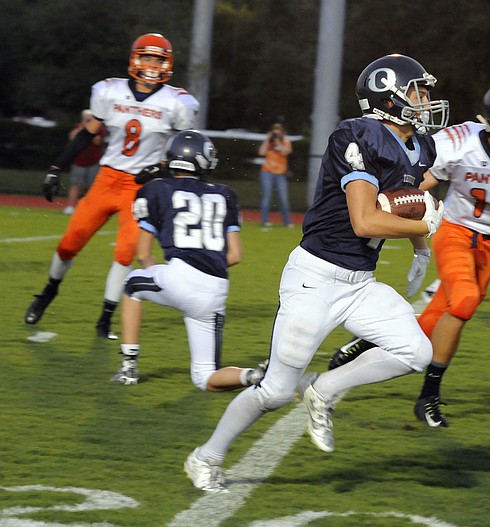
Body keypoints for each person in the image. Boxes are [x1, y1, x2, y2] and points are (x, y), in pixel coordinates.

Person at [183, 54, 449, 492]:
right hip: (316, 279)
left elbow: (402, 199)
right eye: (417, 91)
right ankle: (205, 457)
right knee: (273, 392)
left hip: (360, 282)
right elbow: (366, 220)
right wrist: (424, 228)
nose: (426, 99)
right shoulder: (358, 135)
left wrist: (420, 249)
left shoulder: (422, 145)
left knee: (415, 353)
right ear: (388, 97)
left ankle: (322, 390)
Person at [329, 79, 490, 428]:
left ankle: (368, 342)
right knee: (465, 301)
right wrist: (381, 205)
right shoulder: (461, 143)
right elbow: (422, 180)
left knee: (439, 317)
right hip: (456, 232)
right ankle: (429, 395)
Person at [24, 33, 199, 339]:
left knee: (124, 253)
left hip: (141, 187)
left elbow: (185, 148)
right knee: (68, 244)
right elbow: (86, 133)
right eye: (147, 57)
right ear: (135, 58)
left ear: (167, 64)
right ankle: (47, 292)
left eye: (159, 59)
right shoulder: (111, 91)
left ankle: (105, 317)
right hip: (107, 179)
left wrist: (159, 169)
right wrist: (56, 167)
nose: (152, 65)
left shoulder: (176, 102)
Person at [111, 130, 266, 390]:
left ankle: (129, 367)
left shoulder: (156, 189)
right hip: (215, 290)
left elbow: (142, 253)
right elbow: (236, 255)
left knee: (132, 285)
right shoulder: (225, 194)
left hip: (179, 277)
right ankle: (255, 376)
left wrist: (168, 276)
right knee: (205, 377)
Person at [64, 109, 106, 215]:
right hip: (79, 161)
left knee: (92, 187)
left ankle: (89, 208)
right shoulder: (78, 127)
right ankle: (70, 206)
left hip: (94, 161)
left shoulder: (99, 128)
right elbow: (72, 137)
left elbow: (97, 141)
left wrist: (88, 130)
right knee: (76, 185)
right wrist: (82, 127)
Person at [258, 122, 294, 228]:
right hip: (267, 172)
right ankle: (265, 221)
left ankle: (287, 222)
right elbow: (261, 152)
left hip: (280, 174)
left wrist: (277, 141)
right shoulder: (269, 142)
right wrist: (267, 139)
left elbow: (285, 152)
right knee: (266, 197)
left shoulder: (286, 142)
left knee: (283, 198)